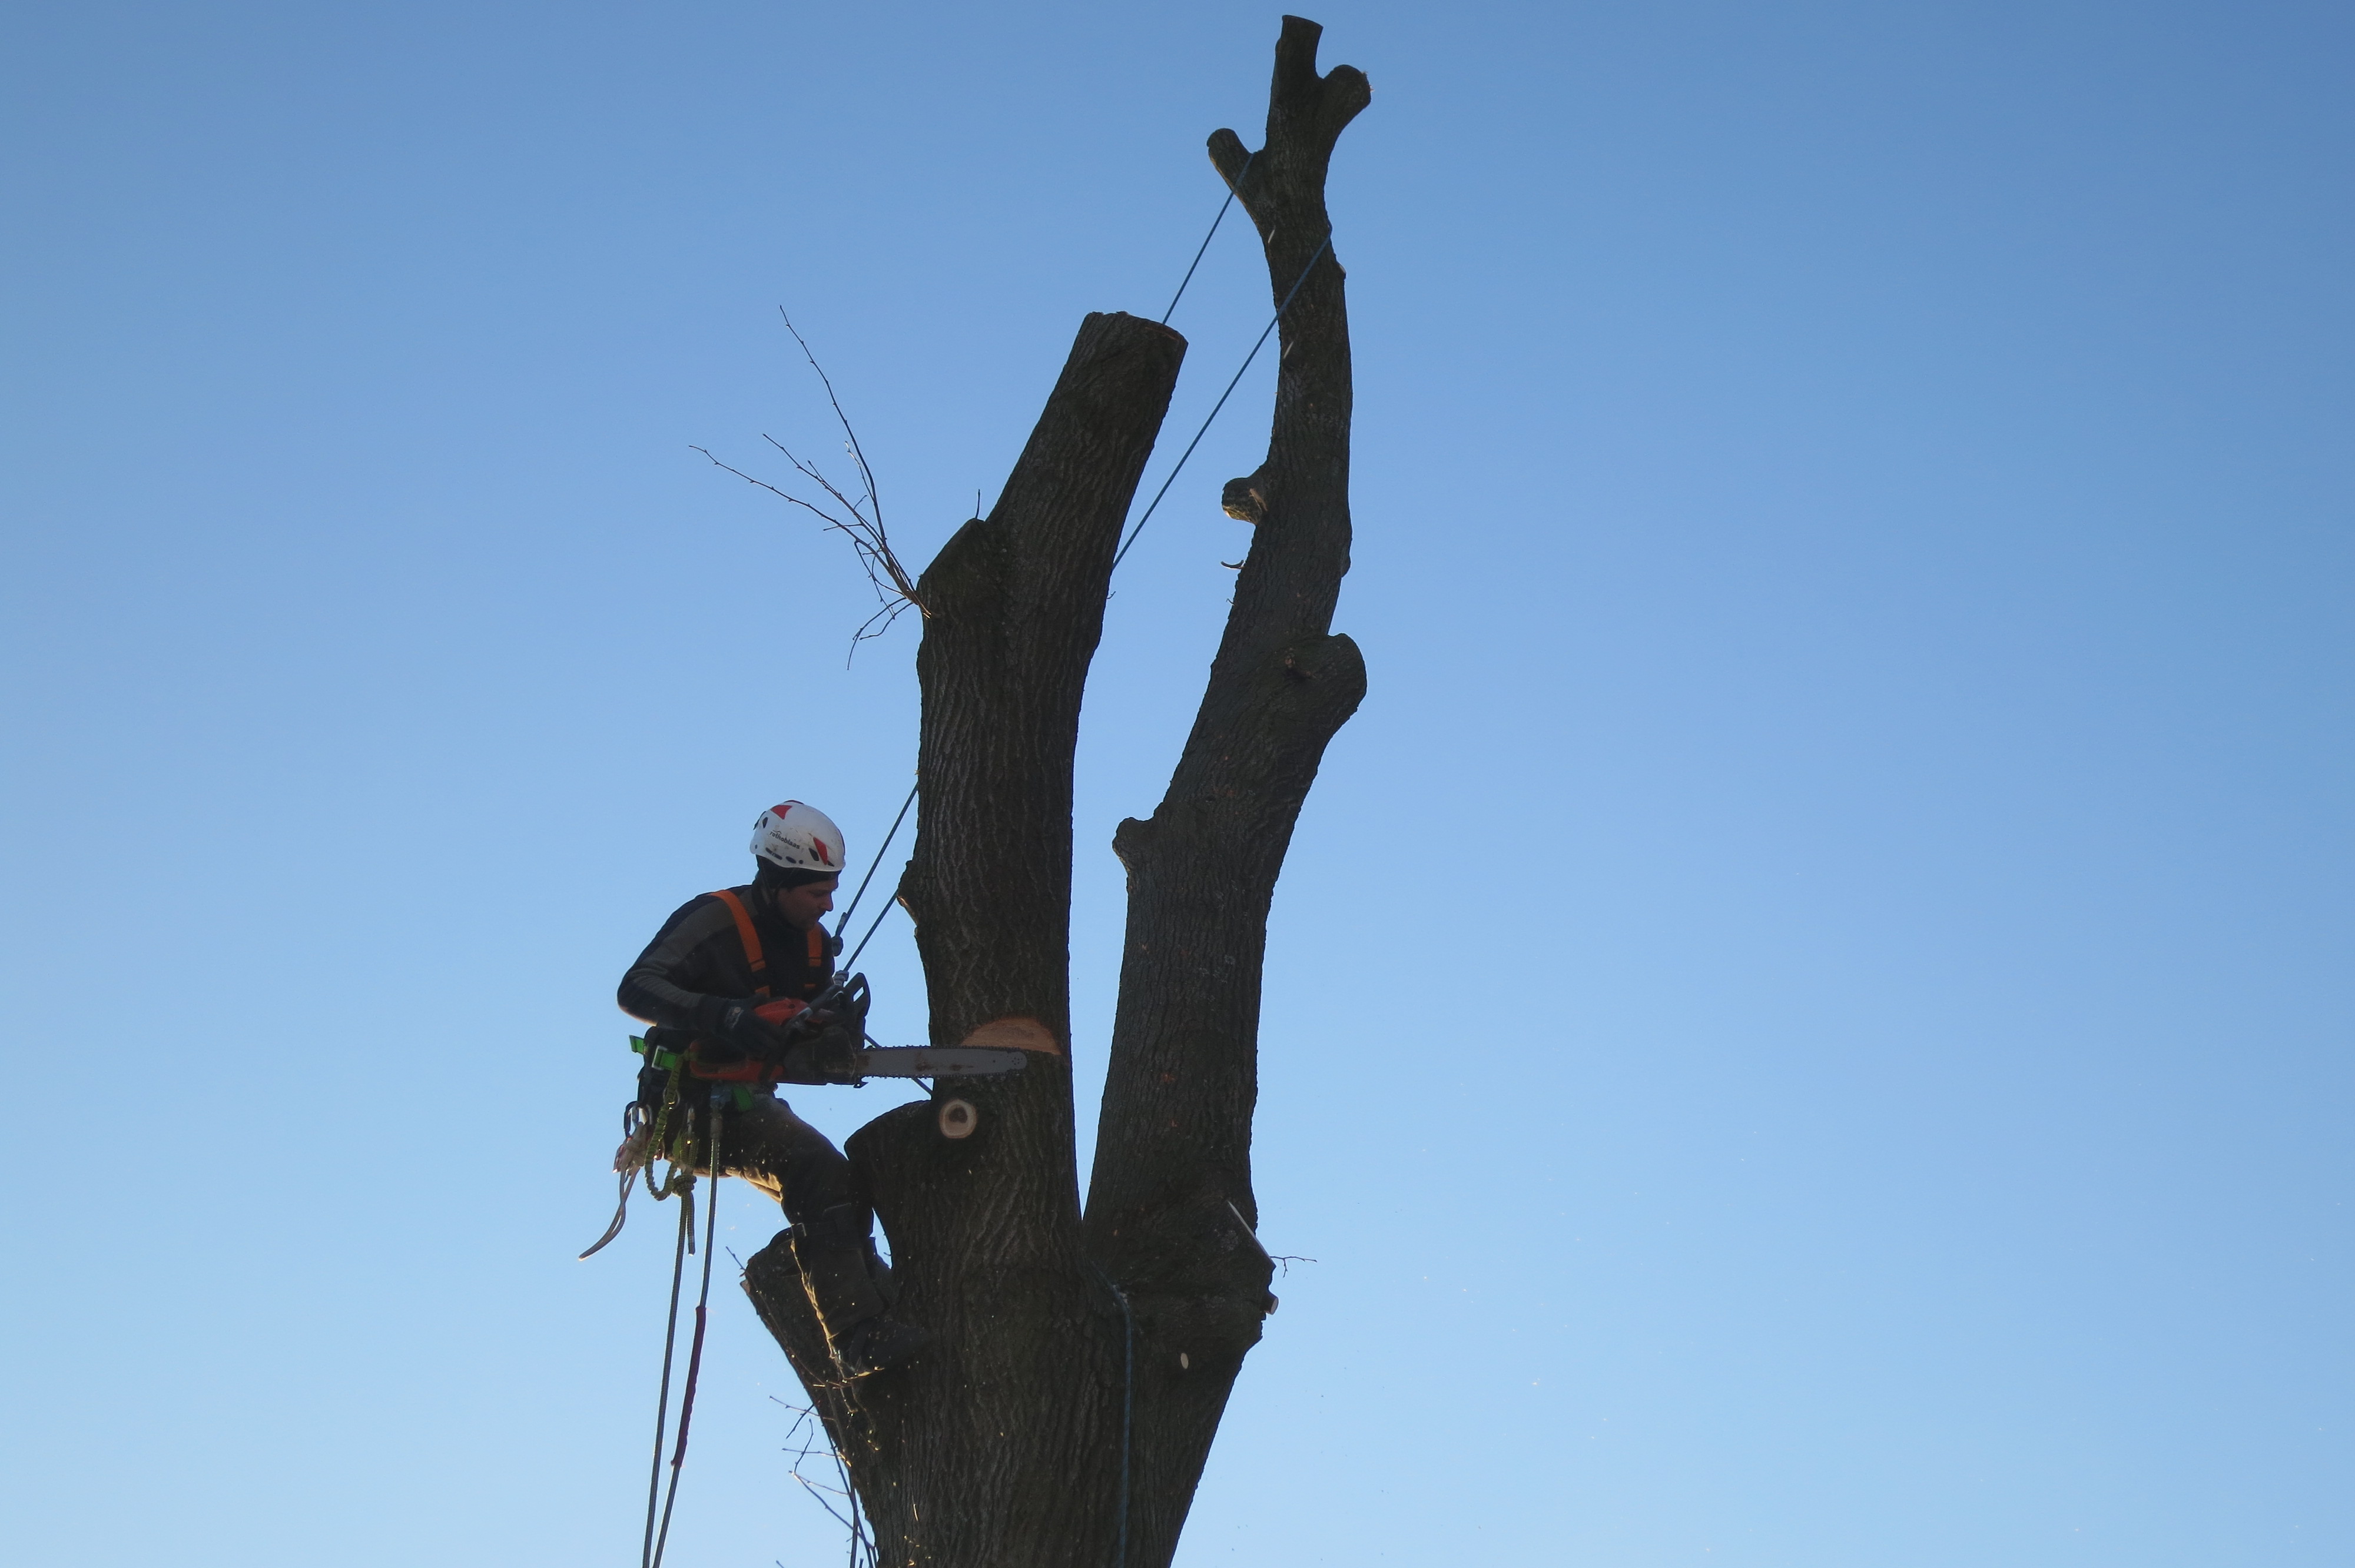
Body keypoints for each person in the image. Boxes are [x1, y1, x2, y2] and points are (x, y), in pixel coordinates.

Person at [617, 799, 929, 1376]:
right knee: (815, 1171)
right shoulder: (713, 920)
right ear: (780, 882)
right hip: (685, 1107)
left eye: (831, 890)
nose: (827, 903)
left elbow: (795, 1034)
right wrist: (726, 1016)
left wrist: (828, 1036)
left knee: (843, 1184)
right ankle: (857, 1339)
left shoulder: (813, 948)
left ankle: (885, 1309)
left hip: (746, 1098)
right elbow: (636, 988)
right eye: (815, 893)